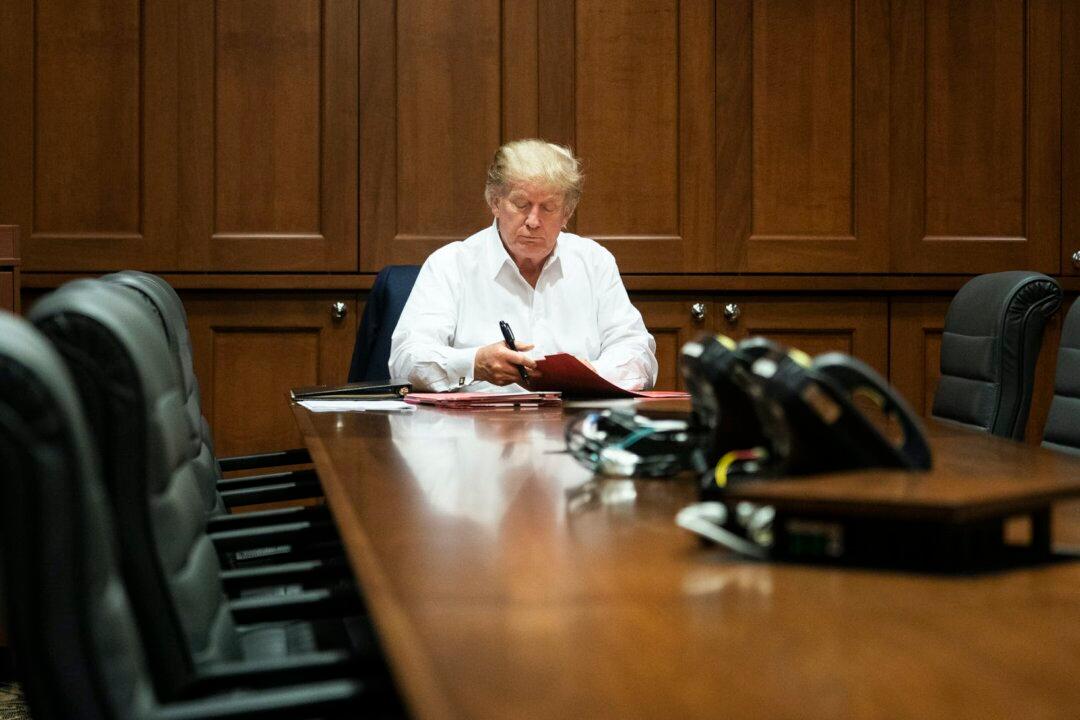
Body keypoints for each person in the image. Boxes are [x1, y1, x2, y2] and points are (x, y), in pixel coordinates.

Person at [389, 139, 657, 392]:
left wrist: (592, 373)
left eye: (549, 208)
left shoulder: (594, 262)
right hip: (477, 432)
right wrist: (474, 364)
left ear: (567, 213)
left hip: (572, 426)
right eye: (521, 204)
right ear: (495, 202)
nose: (533, 220)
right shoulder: (451, 264)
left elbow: (638, 352)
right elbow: (406, 359)